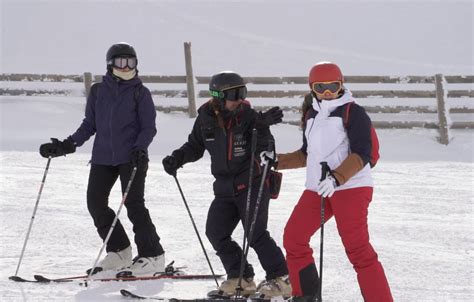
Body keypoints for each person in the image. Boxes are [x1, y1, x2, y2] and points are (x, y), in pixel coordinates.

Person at [39, 42, 165, 278]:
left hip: (132, 158)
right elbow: (90, 124)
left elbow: (149, 127)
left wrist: (140, 148)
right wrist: (67, 145)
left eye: (131, 62)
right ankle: (119, 251)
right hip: (103, 157)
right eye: (120, 61)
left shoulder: (140, 92)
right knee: (95, 203)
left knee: (134, 204)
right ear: (110, 64)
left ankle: (153, 255)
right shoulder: (98, 91)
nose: (126, 66)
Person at [162, 71, 291, 298]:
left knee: (255, 234)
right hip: (224, 189)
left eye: (242, 92)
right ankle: (240, 277)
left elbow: (267, 146)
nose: (239, 99)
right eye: (234, 94)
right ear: (218, 96)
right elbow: (194, 146)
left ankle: (282, 278)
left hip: (251, 184)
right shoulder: (205, 118)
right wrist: (176, 158)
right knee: (216, 232)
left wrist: (261, 130)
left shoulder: (251, 117)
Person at [278, 62, 393, 301]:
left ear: (342, 85)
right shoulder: (312, 115)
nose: (328, 92)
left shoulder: (353, 111)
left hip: (351, 187)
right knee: (294, 237)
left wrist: (336, 178)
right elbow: (307, 154)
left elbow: (363, 152)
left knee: (357, 250)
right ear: (312, 88)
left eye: (334, 86)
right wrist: (275, 161)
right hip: (319, 187)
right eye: (321, 87)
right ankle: (306, 296)